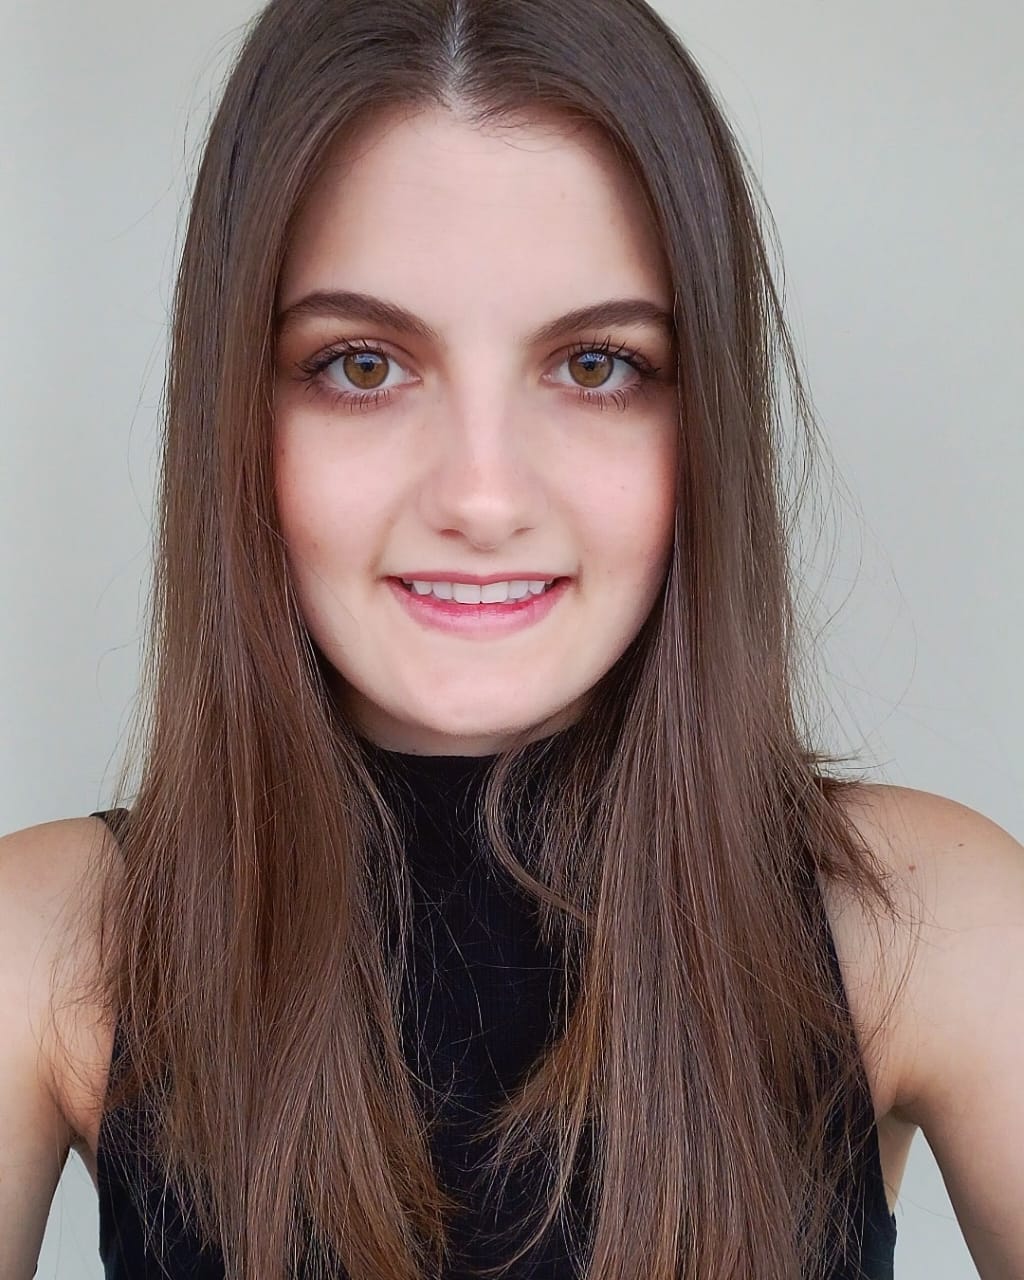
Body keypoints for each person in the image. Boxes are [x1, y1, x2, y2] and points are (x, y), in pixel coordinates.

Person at [2, 0, 1022, 1277]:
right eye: (361, 365)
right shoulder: (49, 944)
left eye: (595, 365)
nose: (482, 497)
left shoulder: (925, 920)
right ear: (239, 412)